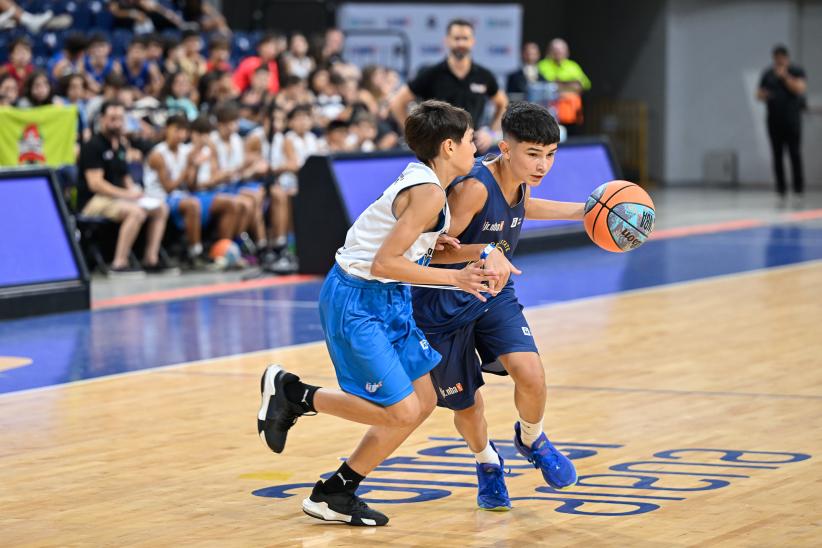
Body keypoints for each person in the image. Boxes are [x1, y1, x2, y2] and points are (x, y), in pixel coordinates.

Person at [257, 100, 498, 526]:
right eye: (468, 139)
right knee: (400, 411)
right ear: (447, 147)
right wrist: (458, 279)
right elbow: (383, 263)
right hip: (358, 300)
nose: (476, 146)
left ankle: (337, 491)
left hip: (390, 299)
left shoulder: (430, 189)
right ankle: (294, 394)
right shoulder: (427, 193)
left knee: (423, 402)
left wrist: (476, 253)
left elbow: (409, 255)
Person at [412, 102, 581, 510]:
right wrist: (484, 252)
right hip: (442, 302)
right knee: (467, 405)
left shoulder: (519, 182)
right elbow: (429, 252)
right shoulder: (474, 188)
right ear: (506, 149)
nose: (543, 165)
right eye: (533, 154)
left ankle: (531, 437)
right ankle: (487, 463)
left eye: (551, 155)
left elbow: (522, 208)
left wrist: (584, 212)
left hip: (491, 292)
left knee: (532, 375)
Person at [77, 100, 170, 276]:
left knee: (160, 209)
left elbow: (125, 177)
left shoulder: (120, 145)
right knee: (136, 212)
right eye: (112, 118)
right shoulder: (92, 145)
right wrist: (127, 194)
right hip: (92, 201)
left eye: (120, 119)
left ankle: (151, 259)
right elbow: (95, 184)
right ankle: (119, 263)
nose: (117, 123)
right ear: (102, 119)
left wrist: (135, 192)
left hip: (117, 198)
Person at [390, 19, 508, 154]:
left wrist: (491, 133)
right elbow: (397, 103)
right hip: (439, 154)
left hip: (473, 153)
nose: (461, 43)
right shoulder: (431, 74)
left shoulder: (483, 76)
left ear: (472, 42)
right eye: (456, 38)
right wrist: (416, 137)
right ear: (446, 41)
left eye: (465, 38)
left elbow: (502, 103)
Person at [143, 115, 241, 267]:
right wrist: (189, 166)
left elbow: (190, 184)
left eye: (183, 131)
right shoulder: (158, 154)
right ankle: (194, 253)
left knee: (229, 203)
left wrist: (195, 166)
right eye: (177, 130)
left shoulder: (185, 151)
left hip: (182, 195)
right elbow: (169, 188)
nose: (181, 135)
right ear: (166, 130)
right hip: (160, 197)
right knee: (193, 204)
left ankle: (222, 250)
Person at [757, 44, 807, 197]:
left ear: (786, 58)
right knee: (777, 155)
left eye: (781, 58)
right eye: (776, 58)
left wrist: (785, 77)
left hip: (792, 120)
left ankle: (798, 188)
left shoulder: (796, 71)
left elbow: (800, 88)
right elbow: (758, 94)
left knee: (794, 154)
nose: (778, 61)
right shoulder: (767, 74)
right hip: (774, 120)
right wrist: (764, 94)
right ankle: (781, 189)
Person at [537, 38, 591, 130]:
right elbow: (548, 86)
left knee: (573, 140)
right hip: (549, 114)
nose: (558, 53)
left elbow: (584, 85)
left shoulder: (573, 66)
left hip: (572, 114)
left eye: (561, 50)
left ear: (567, 52)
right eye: (555, 50)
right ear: (549, 51)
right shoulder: (542, 65)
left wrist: (560, 84)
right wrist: (571, 84)